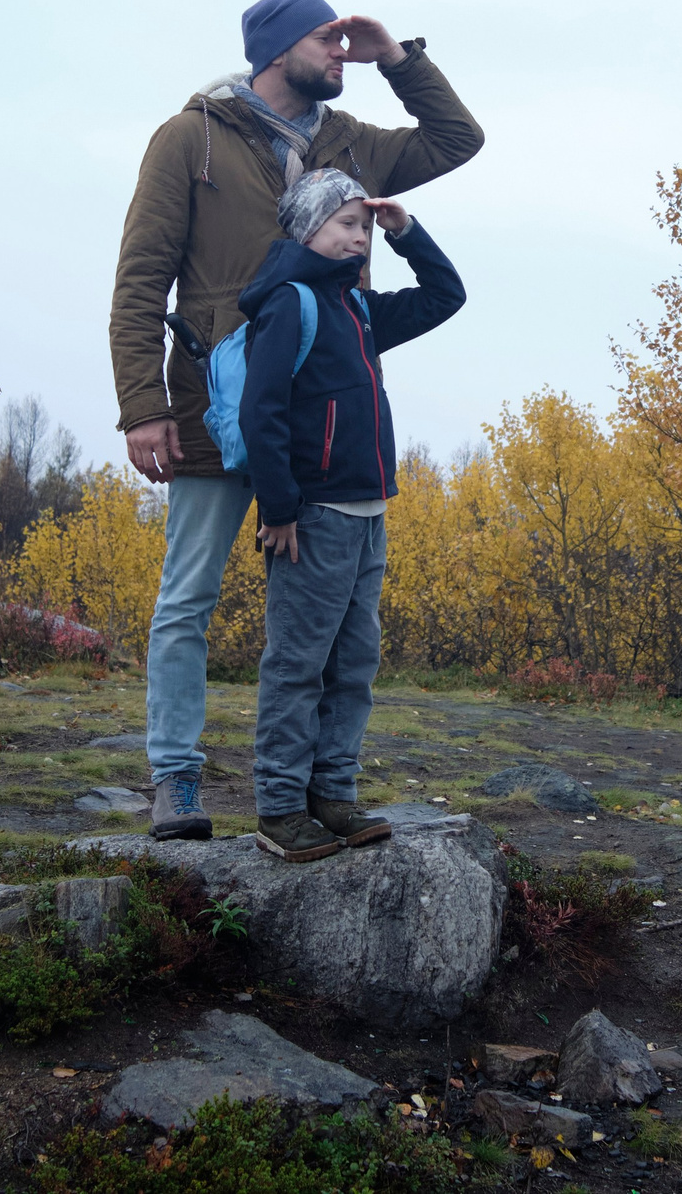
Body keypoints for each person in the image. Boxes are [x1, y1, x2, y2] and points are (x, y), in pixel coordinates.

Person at [110, 0, 483, 841]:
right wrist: (144, 406)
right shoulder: (191, 137)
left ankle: (308, 792)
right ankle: (175, 777)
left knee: (325, 632)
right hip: (212, 406)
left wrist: (399, 56)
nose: (342, 52)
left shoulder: (350, 144)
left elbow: (458, 140)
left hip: (316, 422)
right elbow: (140, 281)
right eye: (331, 39)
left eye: (349, 45)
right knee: (188, 599)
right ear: (279, 48)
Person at [236, 169, 464, 859]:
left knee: (354, 663)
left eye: (363, 227)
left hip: (368, 515)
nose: (357, 237)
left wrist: (406, 232)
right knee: (299, 663)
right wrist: (278, 507)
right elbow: (261, 411)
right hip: (312, 517)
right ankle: (279, 808)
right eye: (345, 223)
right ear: (308, 228)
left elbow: (446, 296)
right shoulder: (291, 304)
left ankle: (331, 794)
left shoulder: (358, 310)